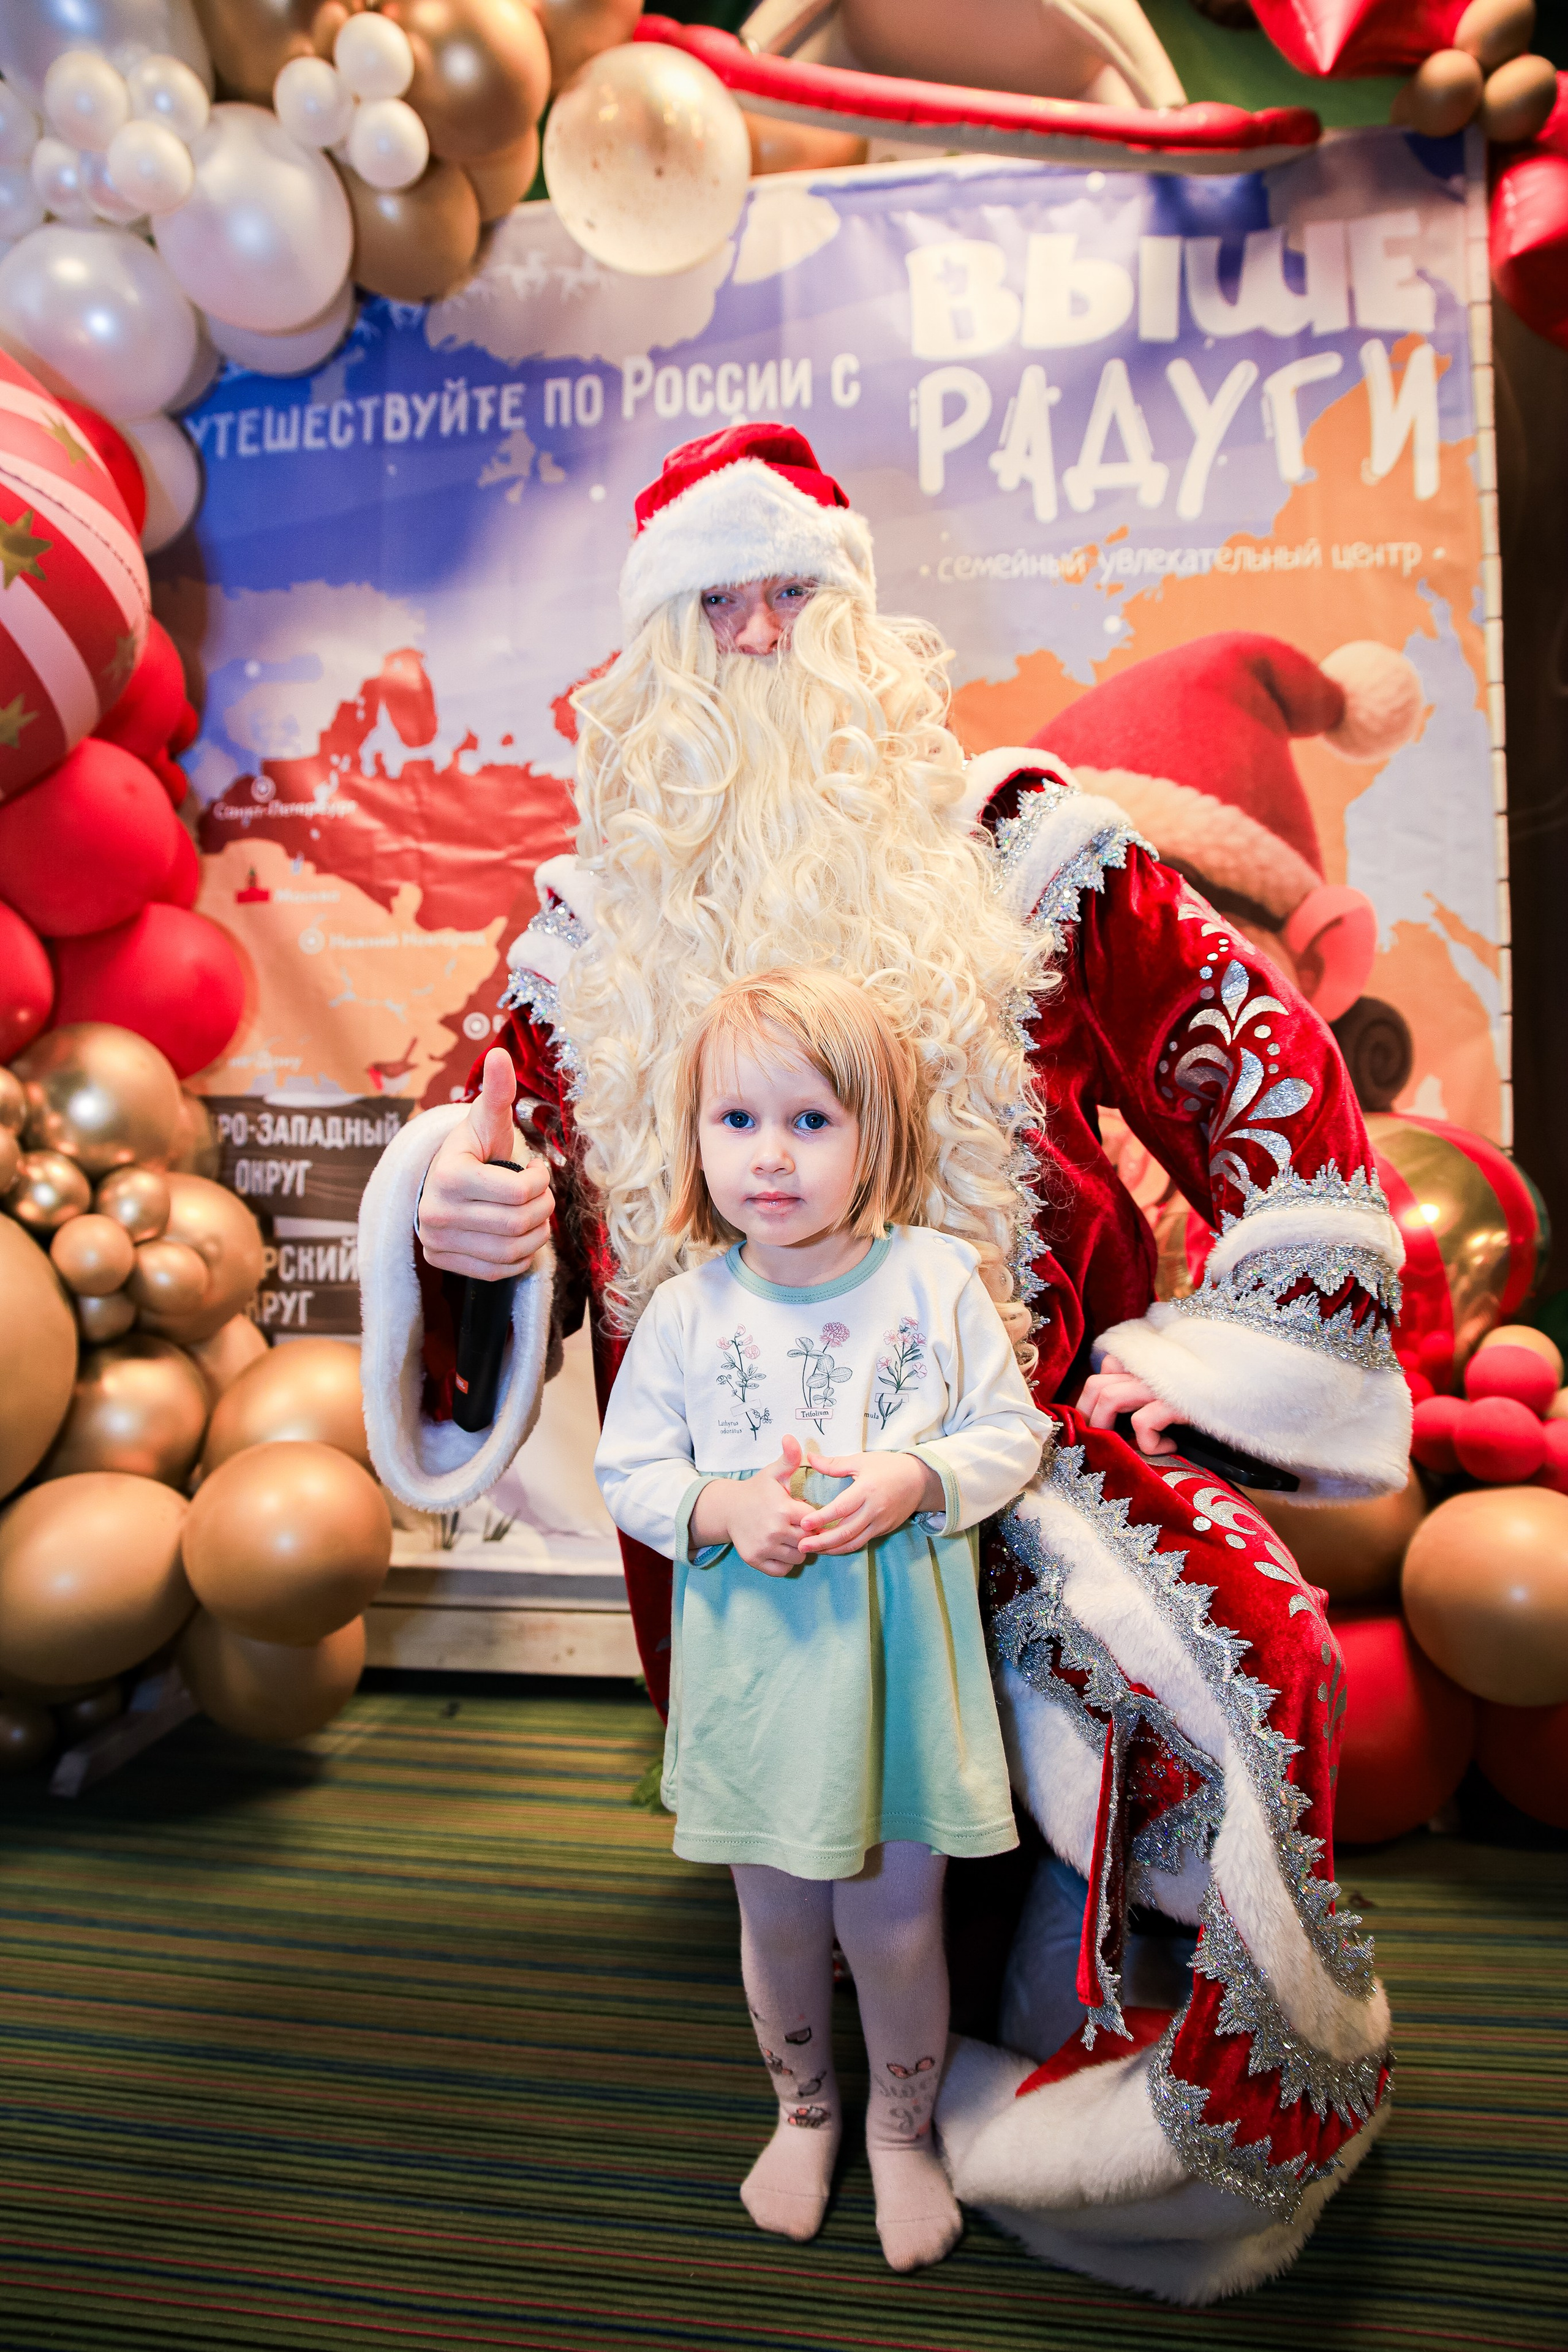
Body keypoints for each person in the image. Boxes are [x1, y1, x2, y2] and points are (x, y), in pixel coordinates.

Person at [359, 421, 1406, 2303]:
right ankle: (827, 2092)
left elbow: (1254, 1064)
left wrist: (1237, 1336)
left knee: (1237, 1667)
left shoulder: (1023, 842)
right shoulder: (590, 933)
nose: (757, 635)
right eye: (712, 600)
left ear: (857, 618)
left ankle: (1093, 2075)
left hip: (1017, 1472)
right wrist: (462, 1224)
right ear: (652, 650)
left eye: (791, 592)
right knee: (805, 1870)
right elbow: (484, 1157)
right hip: (745, 1551)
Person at [594, 968, 1053, 2269]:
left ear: (879, 1136)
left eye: (811, 1120)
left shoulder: (933, 1282)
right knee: (782, 1923)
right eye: (735, 1122)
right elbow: (629, 1477)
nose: (770, 1157)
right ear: (691, 1138)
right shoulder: (686, 1315)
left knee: (891, 1926)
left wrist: (915, 1477)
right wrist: (723, 1509)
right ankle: (804, 2110)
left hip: (902, 1685)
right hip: (758, 1689)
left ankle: (899, 2133)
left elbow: (1011, 1434)